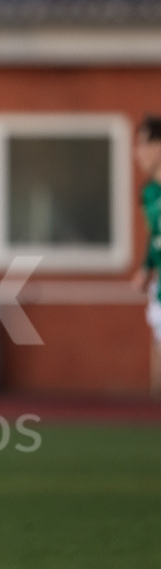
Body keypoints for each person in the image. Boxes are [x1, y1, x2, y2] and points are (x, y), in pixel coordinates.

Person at [132, 114, 161, 395]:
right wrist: (145, 267)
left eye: (142, 144)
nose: (136, 153)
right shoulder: (149, 193)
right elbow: (154, 237)